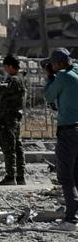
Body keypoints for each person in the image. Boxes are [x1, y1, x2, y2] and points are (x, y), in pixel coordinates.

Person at [44, 48, 78, 231]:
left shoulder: (62, 77)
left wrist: (50, 77)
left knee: (66, 176)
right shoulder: (75, 72)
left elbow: (49, 96)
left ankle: (71, 220)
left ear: (57, 64)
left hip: (69, 130)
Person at [0, 54, 27, 186]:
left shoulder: (14, 79)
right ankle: (20, 176)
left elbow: (3, 89)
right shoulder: (19, 79)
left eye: (5, 66)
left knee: (9, 147)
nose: (4, 69)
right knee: (17, 146)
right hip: (14, 117)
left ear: (9, 66)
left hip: (8, 117)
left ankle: (10, 176)